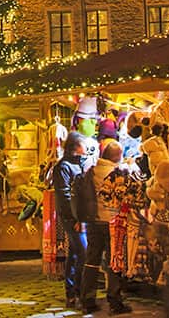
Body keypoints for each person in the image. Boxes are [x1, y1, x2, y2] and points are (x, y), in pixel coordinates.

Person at [78, 142, 132, 315]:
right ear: (117, 156)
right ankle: (115, 301)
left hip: (93, 222)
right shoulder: (117, 173)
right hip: (112, 223)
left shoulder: (91, 171)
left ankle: (87, 299)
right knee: (113, 262)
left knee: (91, 261)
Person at [52, 131, 87, 309]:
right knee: (83, 252)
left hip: (79, 217)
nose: (87, 147)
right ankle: (78, 292)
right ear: (75, 146)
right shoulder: (63, 167)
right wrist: (75, 218)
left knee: (74, 253)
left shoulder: (79, 164)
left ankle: (72, 293)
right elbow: (65, 196)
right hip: (71, 218)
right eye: (83, 144)